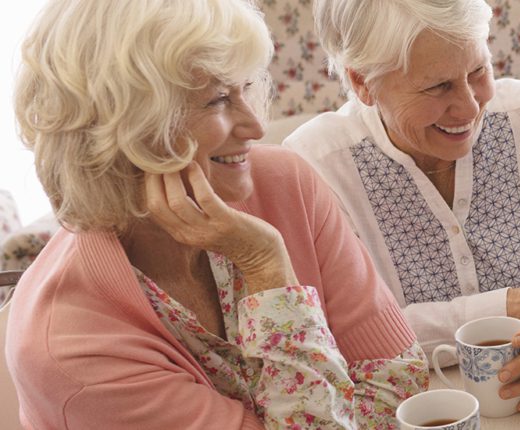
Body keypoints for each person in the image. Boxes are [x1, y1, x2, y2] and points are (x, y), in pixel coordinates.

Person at [5, 0, 430, 427]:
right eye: (218, 100)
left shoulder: (284, 184)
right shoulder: (71, 347)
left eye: (247, 88)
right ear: (127, 128)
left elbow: (400, 388)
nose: (257, 127)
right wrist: (266, 267)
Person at [285, 0, 520, 411]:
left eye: (478, 72)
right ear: (363, 82)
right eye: (438, 87)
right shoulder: (315, 166)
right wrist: (512, 304)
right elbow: (341, 336)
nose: (471, 107)